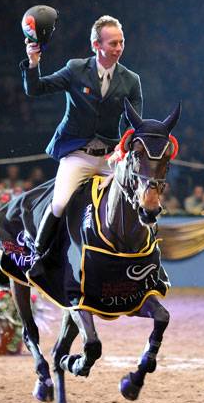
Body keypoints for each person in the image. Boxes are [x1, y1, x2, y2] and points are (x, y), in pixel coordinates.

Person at [20, 15, 143, 258]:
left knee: (137, 202)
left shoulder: (131, 80)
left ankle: (148, 260)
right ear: (96, 45)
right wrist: (33, 62)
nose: (119, 48)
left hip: (110, 156)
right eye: (113, 43)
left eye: (121, 42)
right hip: (78, 154)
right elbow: (36, 89)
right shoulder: (76, 69)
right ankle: (38, 254)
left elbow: (133, 125)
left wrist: (125, 148)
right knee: (60, 203)